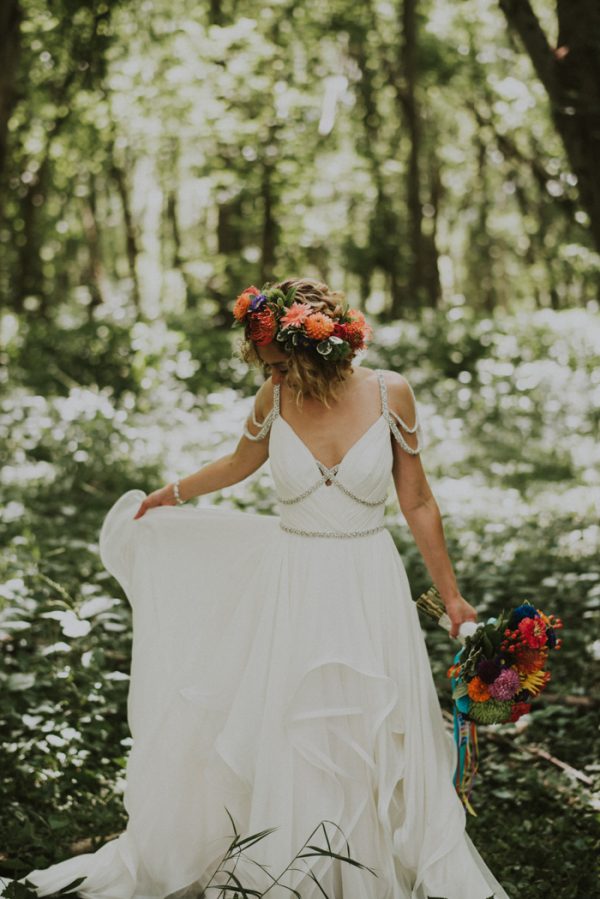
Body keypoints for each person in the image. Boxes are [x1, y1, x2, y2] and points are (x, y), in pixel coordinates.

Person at [17, 278, 508, 899]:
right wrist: (168, 496)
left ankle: (373, 860)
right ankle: (293, 858)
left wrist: (454, 596)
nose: (272, 374)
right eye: (267, 365)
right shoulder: (273, 396)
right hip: (294, 580)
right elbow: (238, 463)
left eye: (279, 363)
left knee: (368, 722)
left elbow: (416, 499)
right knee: (294, 722)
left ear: (320, 349)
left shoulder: (391, 394)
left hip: (367, 580)